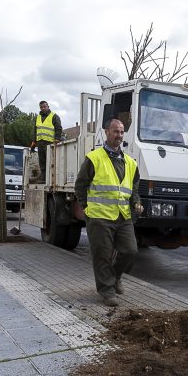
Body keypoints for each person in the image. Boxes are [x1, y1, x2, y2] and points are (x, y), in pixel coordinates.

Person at [74, 119, 144, 307]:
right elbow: (80, 186)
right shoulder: (94, 158)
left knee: (130, 250)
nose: (119, 135)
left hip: (123, 216)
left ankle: (115, 277)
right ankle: (107, 291)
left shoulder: (130, 162)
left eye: (122, 132)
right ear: (106, 132)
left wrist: (136, 202)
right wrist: (87, 209)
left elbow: (134, 190)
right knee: (102, 255)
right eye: (116, 131)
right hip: (99, 216)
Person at [31, 100, 63, 183]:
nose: (43, 108)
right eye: (41, 107)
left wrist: (57, 138)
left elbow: (58, 128)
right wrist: (34, 141)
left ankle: (51, 179)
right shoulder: (38, 117)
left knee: (50, 161)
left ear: (48, 106)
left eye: (44, 106)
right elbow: (35, 130)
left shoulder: (54, 116)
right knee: (42, 162)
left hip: (50, 143)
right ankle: (44, 179)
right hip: (40, 142)